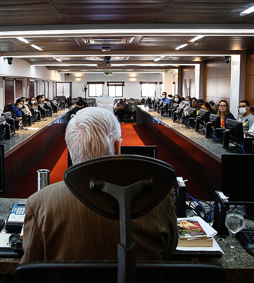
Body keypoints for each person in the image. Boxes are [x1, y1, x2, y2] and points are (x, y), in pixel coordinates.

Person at [21, 107, 178, 263]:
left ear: (70, 149)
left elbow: (30, 266)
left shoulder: (39, 203)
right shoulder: (160, 196)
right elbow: (168, 252)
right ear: (118, 147)